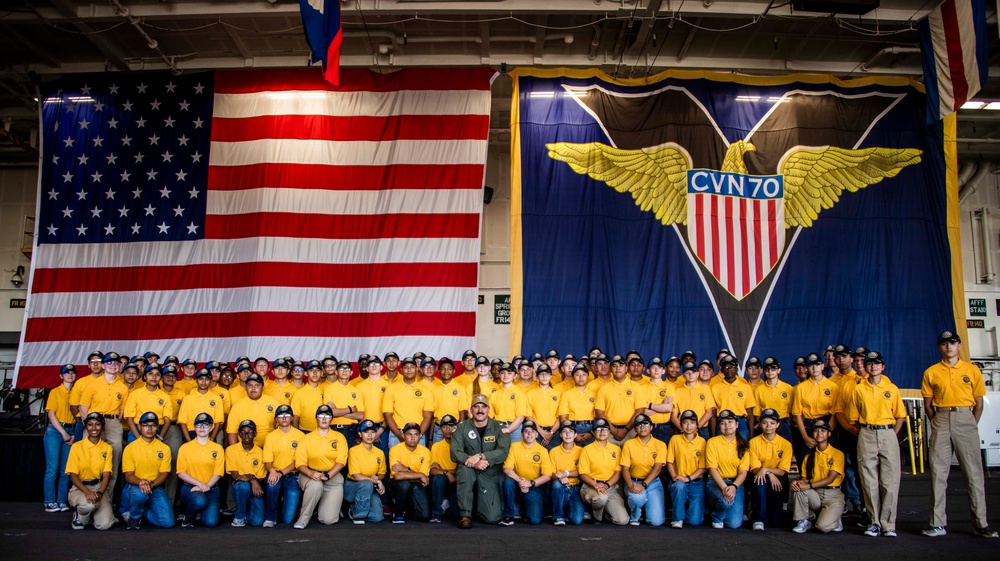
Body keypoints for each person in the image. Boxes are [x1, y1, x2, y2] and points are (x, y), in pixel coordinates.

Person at [920, 330, 998, 538]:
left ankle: (981, 523)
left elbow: (979, 403)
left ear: (959, 346)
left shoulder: (972, 370)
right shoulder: (931, 372)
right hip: (941, 417)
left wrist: (970, 422)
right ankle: (936, 523)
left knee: (974, 473)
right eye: (945, 343)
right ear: (939, 348)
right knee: (938, 472)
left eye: (952, 343)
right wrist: (937, 421)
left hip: (966, 417)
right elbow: (928, 405)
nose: (949, 347)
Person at [846, 350, 905, 538]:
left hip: (887, 432)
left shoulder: (892, 388)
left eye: (877, 363)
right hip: (867, 432)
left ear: (883, 366)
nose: (873, 367)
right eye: (870, 364)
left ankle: (888, 523)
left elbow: (900, 416)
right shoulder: (859, 389)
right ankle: (874, 522)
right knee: (868, 480)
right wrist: (864, 432)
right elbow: (853, 418)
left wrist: (892, 434)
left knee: (890, 481)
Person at [450, 393, 511, 528]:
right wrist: (472, 462)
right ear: (471, 410)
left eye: (483, 407)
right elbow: (455, 452)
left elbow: (503, 452)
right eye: (476, 407)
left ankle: (480, 508)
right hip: (469, 468)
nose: (480, 410)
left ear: (488, 409)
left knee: (491, 518)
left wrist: (480, 456)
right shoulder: (461, 428)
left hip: (488, 471)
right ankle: (465, 515)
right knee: (464, 470)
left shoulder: (499, 427)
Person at [77, 352, 128, 492]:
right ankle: (83, 497)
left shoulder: (122, 387)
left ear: (119, 366)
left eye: (116, 363)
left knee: (114, 455)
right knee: (88, 460)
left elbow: (122, 410)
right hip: (94, 421)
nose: (113, 365)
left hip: (112, 422)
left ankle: (107, 501)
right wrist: (88, 426)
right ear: (103, 365)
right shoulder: (93, 385)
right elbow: (83, 408)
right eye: (109, 363)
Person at [294, 404, 348, 528]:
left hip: (331, 476)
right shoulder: (306, 438)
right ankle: (303, 519)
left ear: (331, 419)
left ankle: (328, 505)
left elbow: (341, 461)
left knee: (328, 519)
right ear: (316, 418)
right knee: (316, 486)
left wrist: (328, 475)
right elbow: (300, 463)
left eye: (327, 416)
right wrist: (311, 474)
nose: (324, 418)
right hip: (310, 474)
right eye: (321, 416)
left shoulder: (339, 437)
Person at [120, 411, 174, 529]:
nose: (149, 428)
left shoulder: (164, 448)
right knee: (140, 495)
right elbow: (128, 475)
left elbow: (164, 474)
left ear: (157, 427)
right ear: (139, 427)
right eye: (145, 425)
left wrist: (151, 484)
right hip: (135, 486)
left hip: (155, 486)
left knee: (168, 522)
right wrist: (141, 482)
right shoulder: (130, 448)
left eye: (153, 425)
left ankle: (142, 511)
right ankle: (134, 517)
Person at [790, 419, 844, 534]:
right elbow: (805, 479)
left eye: (823, 431)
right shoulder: (809, 457)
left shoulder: (837, 454)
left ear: (829, 434)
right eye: (816, 431)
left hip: (833, 495)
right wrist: (797, 483)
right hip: (816, 494)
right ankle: (804, 520)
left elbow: (830, 479)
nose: (819, 433)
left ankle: (835, 518)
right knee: (799, 489)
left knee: (822, 527)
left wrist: (808, 485)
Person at [65, 412, 114, 530]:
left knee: (104, 525)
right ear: (86, 427)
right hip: (81, 487)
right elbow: (73, 475)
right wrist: (87, 492)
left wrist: (100, 493)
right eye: (90, 424)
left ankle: (93, 514)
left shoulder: (107, 448)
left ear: (102, 427)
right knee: (88, 505)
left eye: (97, 424)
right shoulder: (77, 446)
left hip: (98, 486)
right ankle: (80, 514)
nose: (94, 428)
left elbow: (106, 475)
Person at [175, 412, 226, 528]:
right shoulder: (185, 448)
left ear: (211, 427)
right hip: (190, 488)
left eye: (206, 425)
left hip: (211, 488)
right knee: (199, 501)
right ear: (194, 428)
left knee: (211, 522)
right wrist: (201, 485)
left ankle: (201, 511)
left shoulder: (217, 448)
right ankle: (189, 516)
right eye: (198, 425)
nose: (202, 428)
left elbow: (218, 473)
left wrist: (207, 486)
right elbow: (181, 473)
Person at [790, 353, 839, 467]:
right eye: (811, 365)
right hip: (809, 425)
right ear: (807, 368)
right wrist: (805, 437)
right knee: (807, 461)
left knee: (829, 461)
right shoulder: (801, 388)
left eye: (817, 365)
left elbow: (835, 413)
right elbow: (797, 414)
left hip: (827, 424)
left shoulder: (832, 386)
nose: (814, 368)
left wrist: (827, 432)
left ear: (822, 366)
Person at [500, 420, 553, 525]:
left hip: (533, 486)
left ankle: (525, 509)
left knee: (535, 520)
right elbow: (507, 468)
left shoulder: (542, 450)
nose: (529, 434)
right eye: (526, 431)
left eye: (532, 431)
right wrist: (520, 481)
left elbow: (547, 476)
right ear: (521, 434)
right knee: (507, 482)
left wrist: (530, 483)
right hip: (517, 484)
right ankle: (508, 515)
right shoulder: (515, 446)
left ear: (537, 434)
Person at [578, 418, 628, 526]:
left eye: (605, 429)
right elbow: (583, 474)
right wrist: (596, 485)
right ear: (593, 432)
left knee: (622, 520)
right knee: (601, 498)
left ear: (609, 431)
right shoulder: (586, 449)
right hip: (591, 486)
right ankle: (596, 516)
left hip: (609, 487)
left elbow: (618, 472)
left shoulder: (616, 449)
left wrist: (606, 485)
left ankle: (605, 513)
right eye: (598, 429)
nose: (602, 432)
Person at [748, 408, 792, 531]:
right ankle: (758, 518)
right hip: (759, 478)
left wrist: (767, 470)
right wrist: (768, 473)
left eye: (772, 423)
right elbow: (755, 468)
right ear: (760, 424)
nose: (768, 426)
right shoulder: (753, 442)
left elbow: (783, 470)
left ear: (778, 425)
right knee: (760, 481)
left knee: (775, 521)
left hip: (777, 480)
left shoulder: (785, 444)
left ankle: (770, 511)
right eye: (765, 422)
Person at [620, 414, 666, 527]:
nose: (642, 427)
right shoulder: (629, 444)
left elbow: (657, 468)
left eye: (645, 424)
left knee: (656, 522)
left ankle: (648, 511)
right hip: (634, 481)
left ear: (651, 427)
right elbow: (625, 468)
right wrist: (631, 485)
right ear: (635, 429)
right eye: (639, 425)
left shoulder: (660, 444)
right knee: (636, 498)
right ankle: (635, 515)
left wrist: (644, 485)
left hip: (653, 483)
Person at [706, 410, 749, 529]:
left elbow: (743, 472)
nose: (727, 426)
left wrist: (734, 487)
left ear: (737, 424)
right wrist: (724, 488)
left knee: (734, 524)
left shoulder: (743, 445)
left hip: (735, 483)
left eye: (730, 422)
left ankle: (722, 508)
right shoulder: (712, 442)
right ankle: (717, 516)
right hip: (716, 482)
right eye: (723, 423)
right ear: (719, 426)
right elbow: (712, 469)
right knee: (725, 501)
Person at [262, 404, 304, 527]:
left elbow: (299, 461)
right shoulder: (271, 436)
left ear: (292, 418)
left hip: (293, 475)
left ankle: (282, 506)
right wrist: (273, 471)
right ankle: (270, 516)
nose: (284, 418)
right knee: (271, 486)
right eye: (280, 416)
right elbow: (267, 461)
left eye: (287, 415)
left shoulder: (300, 436)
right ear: (276, 419)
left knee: (287, 519)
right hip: (275, 472)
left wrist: (281, 473)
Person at [44, 364, 77, 513]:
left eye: (72, 373)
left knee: (65, 470)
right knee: (52, 469)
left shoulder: (77, 392)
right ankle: (50, 501)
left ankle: (61, 500)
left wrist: (73, 433)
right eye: (66, 373)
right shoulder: (55, 392)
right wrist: (63, 433)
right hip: (56, 431)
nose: (70, 375)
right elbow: (51, 415)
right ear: (61, 376)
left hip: (71, 430)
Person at [382, 357, 436, 448]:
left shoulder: (426, 391)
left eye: (412, 367)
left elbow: (428, 416)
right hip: (396, 434)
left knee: (418, 462)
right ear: (401, 370)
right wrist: (399, 435)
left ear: (416, 369)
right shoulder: (391, 389)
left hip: (418, 434)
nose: (409, 370)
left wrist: (418, 435)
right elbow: (387, 415)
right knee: (395, 462)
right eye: (406, 367)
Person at [666, 410, 707, 528]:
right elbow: (669, 462)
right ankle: (677, 518)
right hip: (678, 480)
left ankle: (687, 513)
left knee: (695, 521)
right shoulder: (675, 439)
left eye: (692, 423)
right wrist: (675, 477)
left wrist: (688, 478)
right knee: (679, 487)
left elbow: (703, 467)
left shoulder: (702, 442)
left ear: (697, 425)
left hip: (696, 482)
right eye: (685, 423)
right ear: (681, 425)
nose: (688, 426)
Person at [594, 355, 643, 447]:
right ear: (611, 369)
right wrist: (613, 430)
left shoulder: (636, 387)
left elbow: (640, 411)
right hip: (609, 432)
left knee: (630, 460)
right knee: (610, 460)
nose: (618, 368)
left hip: (631, 430)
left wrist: (626, 429)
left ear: (626, 368)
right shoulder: (603, 388)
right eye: (614, 366)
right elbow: (599, 413)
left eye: (621, 365)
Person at [388, 422, 433, 523]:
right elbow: (398, 476)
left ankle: (408, 510)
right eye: (409, 434)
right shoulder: (395, 450)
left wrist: (406, 469)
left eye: (416, 434)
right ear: (403, 436)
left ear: (420, 436)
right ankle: (398, 512)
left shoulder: (425, 451)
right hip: (398, 484)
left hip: (417, 484)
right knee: (405, 484)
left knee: (425, 516)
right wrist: (419, 475)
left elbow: (424, 479)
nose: (413, 438)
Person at [344, 419, 386, 524]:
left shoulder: (379, 453)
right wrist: (375, 481)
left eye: (372, 432)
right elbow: (357, 476)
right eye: (366, 432)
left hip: (369, 487)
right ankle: (358, 515)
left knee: (377, 517)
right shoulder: (354, 451)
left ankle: (352, 509)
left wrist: (378, 479)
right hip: (353, 486)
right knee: (366, 484)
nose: (370, 435)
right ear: (360, 434)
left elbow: (382, 473)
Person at [226, 419, 266, 527]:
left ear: (255, 434)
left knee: (257, 522)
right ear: (239, 434)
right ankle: (239, 516)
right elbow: (235, 476)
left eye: (250, 432)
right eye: (243, 432)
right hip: (239, 487)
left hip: (255, 489)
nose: (246, 435)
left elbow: (261, 478)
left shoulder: (261, 452)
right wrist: (252, 479)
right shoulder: (231, 450)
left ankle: (247, 508)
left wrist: (250, 478)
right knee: (243, 486)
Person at [710, 356, 757, 439]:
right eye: (726, 367)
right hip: (722, 421)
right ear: (722, 370)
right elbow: (713, 414)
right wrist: (713, 436)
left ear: (736, 369)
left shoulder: (745, 387)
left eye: (732, 367)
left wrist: (751, 435)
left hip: (741, 421)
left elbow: (749, 413)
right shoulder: (715, 387)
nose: (729, 370)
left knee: (742, 449)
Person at [549, 421, 585, 526]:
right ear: (560, 435)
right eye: (564, 431)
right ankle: (557, 516)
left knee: (577, 520)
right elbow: (550, 474)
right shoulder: (554, 451)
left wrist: (566, 473)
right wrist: (558, 477)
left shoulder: (582, 451)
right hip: (561, 488)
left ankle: (566, 510)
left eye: (570, 432)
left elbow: (583, 471)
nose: (567, 434)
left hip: (576, 488)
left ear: (575, 435)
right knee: (556, 484)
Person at [177, 369, 225, 441]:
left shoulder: (217, 399)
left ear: (211, 380)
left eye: (207, 379)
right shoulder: (188, 398)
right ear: (196, 380)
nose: (204, 382)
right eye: (201, 379)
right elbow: (183, 422)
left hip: (209, 432)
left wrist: (212, 438)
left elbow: (218, 422)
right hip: (191, 432)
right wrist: (189, 441)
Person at [324, 360, 365, 444]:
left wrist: (338, 412)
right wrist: (351, 410)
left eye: (347, 369)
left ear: (351, 372)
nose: (344, 371)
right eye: (341, 369)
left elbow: (361, 415)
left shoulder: (356, 391)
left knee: (351, 456)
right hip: (335, 429)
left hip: (352, 431)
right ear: (336, 372)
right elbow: (329, 412)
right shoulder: (329, 389)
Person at [753, 357, 794, 442]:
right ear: (763, 371)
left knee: (785, 450)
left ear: (779, 370)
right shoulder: (759, 390)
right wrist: (763, 423)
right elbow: (757, 413)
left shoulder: (788, 388)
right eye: (767, 369)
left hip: (783, 423)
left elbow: (792, 412)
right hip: (766, 425)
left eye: (773, 369)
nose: (770, 371)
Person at [556, 363, 597, 445]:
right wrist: (573, 433)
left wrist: (591, 433)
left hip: (591, 428)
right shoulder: (567, 395)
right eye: (577, 375)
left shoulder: (595, 394)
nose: (581, 377)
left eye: (583, 375)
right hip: (573, 428)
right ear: (573, 377)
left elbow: (598, 416)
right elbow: (563, 417)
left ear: (588, 376)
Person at [673, 361, 716, 440]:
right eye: (687, 373)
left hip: (702, 429)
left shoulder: (705, 389)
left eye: (693, 372)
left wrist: (697, 427)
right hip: (684, 430)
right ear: (683, 375)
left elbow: (709, 412)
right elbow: (674, 416)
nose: (690, 375)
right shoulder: (677, 391)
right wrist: (683, 429)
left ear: (697, 374)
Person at [429, 415, 459, 523]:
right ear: (440, 429)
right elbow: (432, 470)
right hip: (444, 478)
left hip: (457, 479)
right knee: (438, 478)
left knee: (456, 516)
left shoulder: (462, 445)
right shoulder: (436, 446)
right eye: (445, 426)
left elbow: (462, 470)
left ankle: (450, 507)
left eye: (451, 426)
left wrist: (443, 470)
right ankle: (436, 512)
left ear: (456, 427)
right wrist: (447, 472)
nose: (448, 430)